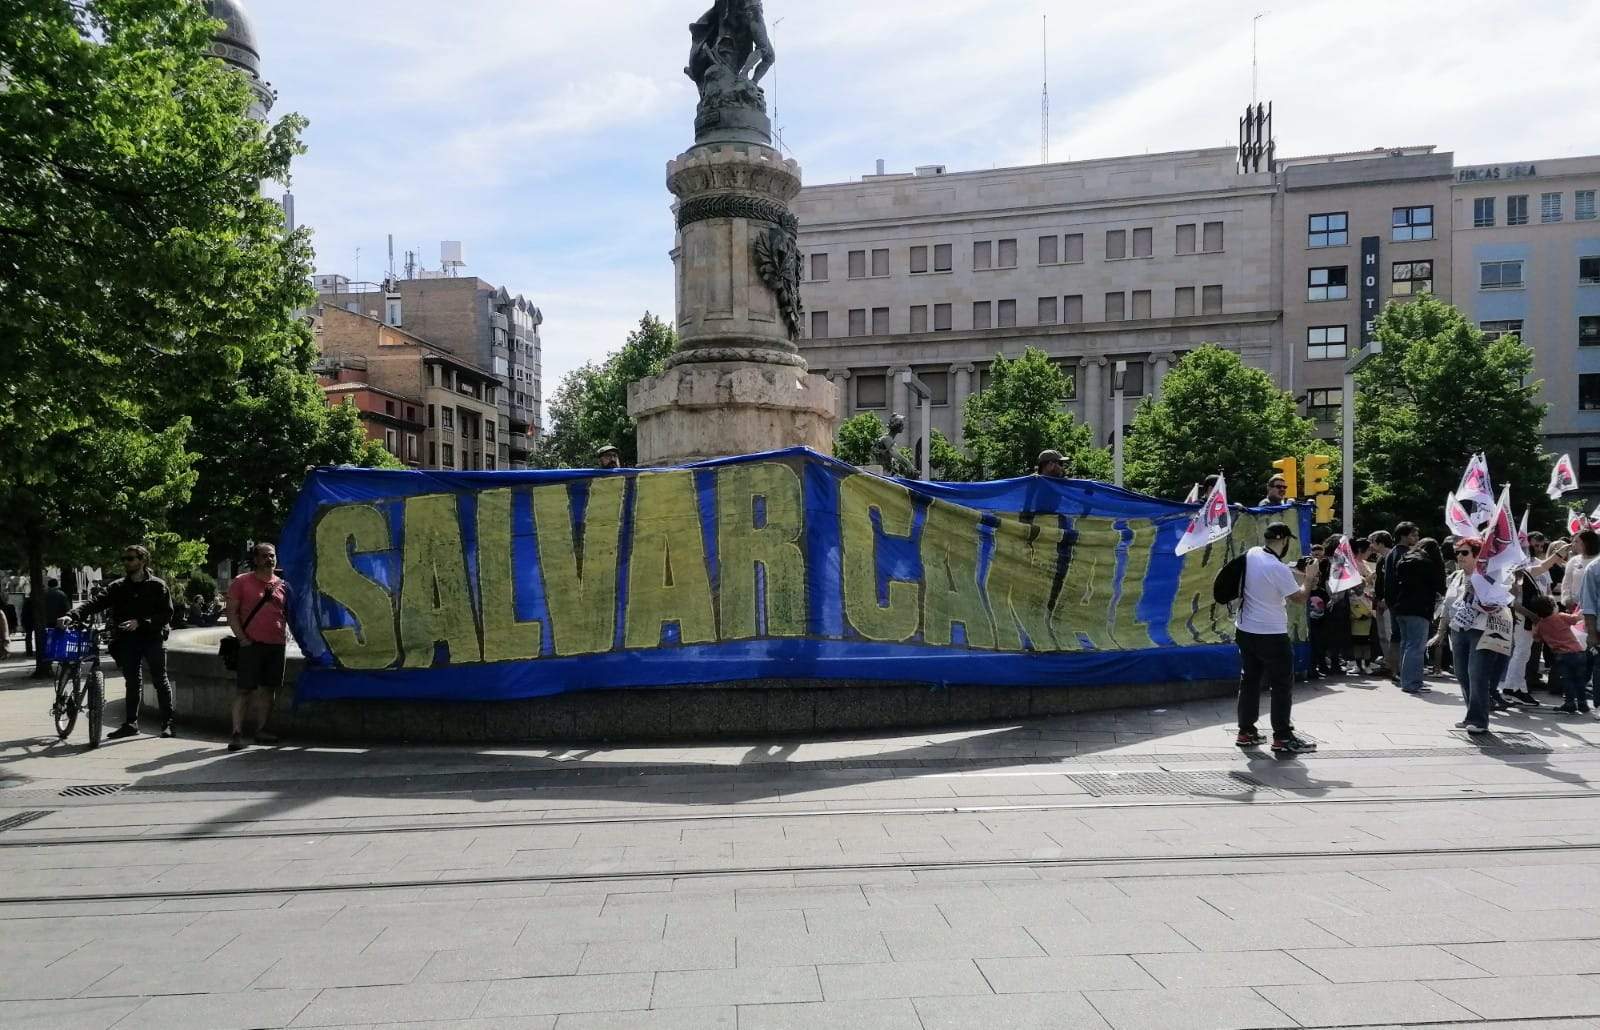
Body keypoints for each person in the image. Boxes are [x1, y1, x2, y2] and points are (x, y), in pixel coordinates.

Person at [58, 545, 175, 738]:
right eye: (124, 559)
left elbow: (166, 614)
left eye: (130, 558)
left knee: (160, 680)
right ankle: (130, 724)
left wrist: (141, 623)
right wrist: (72, 615)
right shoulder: (119, 586)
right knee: (132, 682)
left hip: (153, 638)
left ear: (142, 560)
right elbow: (96, 602)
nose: (126, 562)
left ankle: (168, 724)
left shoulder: (157, 586)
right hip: (128, 640)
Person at [1233, 522, 1319, 755]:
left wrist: (1294, 572)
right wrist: (1309, 578)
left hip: (1245, 629)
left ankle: (1246, 731)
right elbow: (1299, 598)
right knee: (1281, 684)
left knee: (1249, 680)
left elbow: (1267, 576)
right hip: (1271, 633)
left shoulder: (1253, 554)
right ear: (1284, 541)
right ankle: (1282, 736)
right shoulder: (1277, 568)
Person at [225, 542, 290, 751]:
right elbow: (231, 613)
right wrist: (243, 639)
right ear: (256, 559)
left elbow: (286, 613)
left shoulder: (283, 585)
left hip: (276, 645)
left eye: (272, 555)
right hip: (251, 645)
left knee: (268, 690)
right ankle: (236, 733)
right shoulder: (241, 582)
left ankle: (261, 730)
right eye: (264, 556)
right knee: (244, 690)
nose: (269, 559)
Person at [1443, 539, 1505, 733]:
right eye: (1458, 552)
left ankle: (1478, 719)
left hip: (1482, 629)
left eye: (1464, 553)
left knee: (1477, 674)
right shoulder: (1457, 576)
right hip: (1458, 629)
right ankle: (1472, 713)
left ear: (1478, 555)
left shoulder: (1490, 575)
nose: (1459, 556)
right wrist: (1440, 632)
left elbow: (1500, 601)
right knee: (1461, 673)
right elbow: (1447, 605)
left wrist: (1479, 592)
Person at [1391, 534, 1445, 695]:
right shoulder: (1429, 564)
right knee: (1416, 646)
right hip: (1419, 609)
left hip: (1401, 607)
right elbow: (1439, 586)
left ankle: (1405, 678)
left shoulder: (1404, 559)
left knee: (1406, 644)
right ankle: (1412, 683)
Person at [1523, 594, 1588, 715]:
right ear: (1553, 607)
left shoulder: (1541, 625)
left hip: (1561, 656)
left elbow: (1536, 638)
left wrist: (1534, 625)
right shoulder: (1561, 617)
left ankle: (1570, 703)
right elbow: (1576, 618)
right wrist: (1582, 611)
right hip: (1577, 652)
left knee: (1567, 680)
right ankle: (1583, 703)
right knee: (1579, 679)